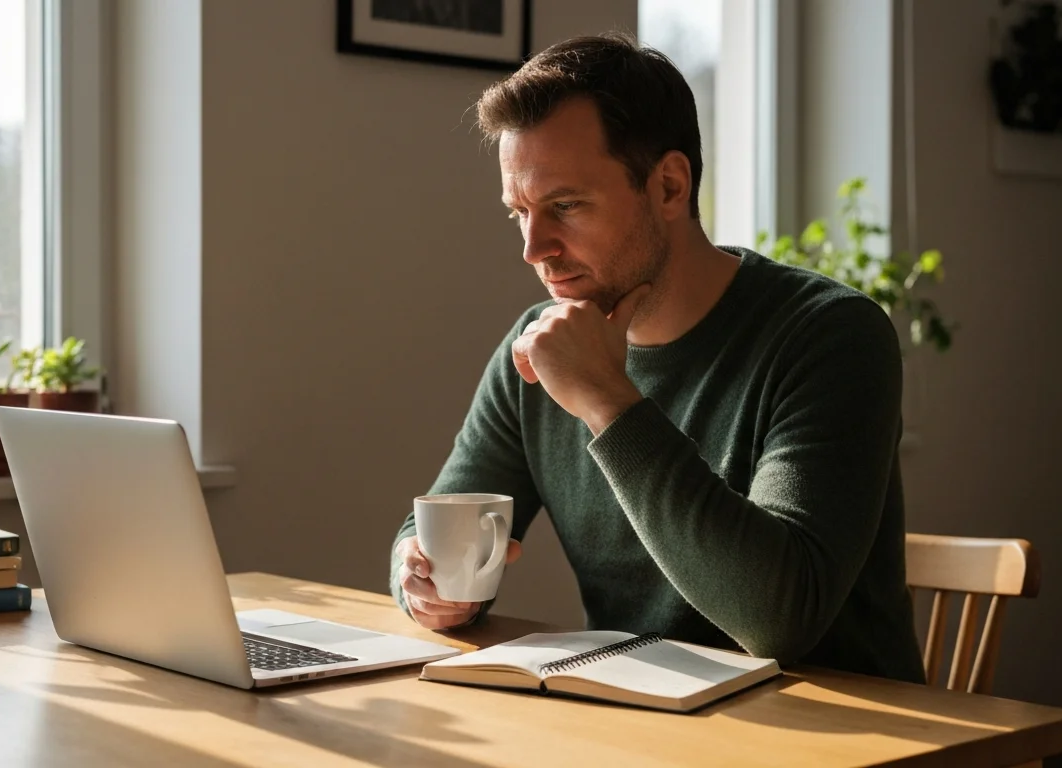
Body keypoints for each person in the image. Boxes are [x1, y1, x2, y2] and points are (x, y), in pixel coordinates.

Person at [389, 32, 925, 684]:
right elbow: (434, 523)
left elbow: (778, 621)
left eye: (565, 206)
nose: (534, 248)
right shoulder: (536, 348)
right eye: (519, 213)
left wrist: (606, 400)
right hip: (640, 716)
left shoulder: (830, 334)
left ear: (669, 186)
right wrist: (421, 580)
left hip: (842, 723)